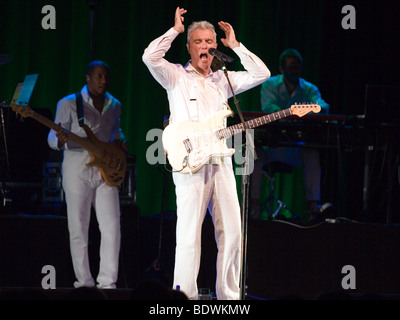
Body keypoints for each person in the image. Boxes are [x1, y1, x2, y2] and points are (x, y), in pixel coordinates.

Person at [142, 7, 270, 300]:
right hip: (190, 163)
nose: (205, 47)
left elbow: (262, 73)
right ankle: (184, 297)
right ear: (189, 47)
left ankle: (229, 296)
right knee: (189, 235)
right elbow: (149, 57)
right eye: (198, 41)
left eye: (210, 42)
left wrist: (235, 46)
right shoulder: (175, 76)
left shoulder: (223, 81)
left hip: (221, 161)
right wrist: (174, 30)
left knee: (232, 233)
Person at [47, 60, 127, 289]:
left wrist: (120, 143)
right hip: (78, 171)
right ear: (88, 78)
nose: (103, 81)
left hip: (105, 172)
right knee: (79, 228)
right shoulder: (69, 103)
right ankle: (84, 284)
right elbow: (52, 138)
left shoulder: (115, 105)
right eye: (98, 76)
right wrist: (59, 141)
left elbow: (115, 131)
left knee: (112, 226)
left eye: (106, 77)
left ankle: (107, 284)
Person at [250, 48, 330, 221]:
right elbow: (269, 109)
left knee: (312, 154)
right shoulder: (270, 84)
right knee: (252, 155)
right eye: (292, 66)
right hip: (272, 146)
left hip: (294, 148)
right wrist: (295, 112)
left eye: (298, 67)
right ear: (282, 68)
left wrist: (303, 111)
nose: (295, 70)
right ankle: (254, 206)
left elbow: (323, 107)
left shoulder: (309, 89)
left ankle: (313, 208)